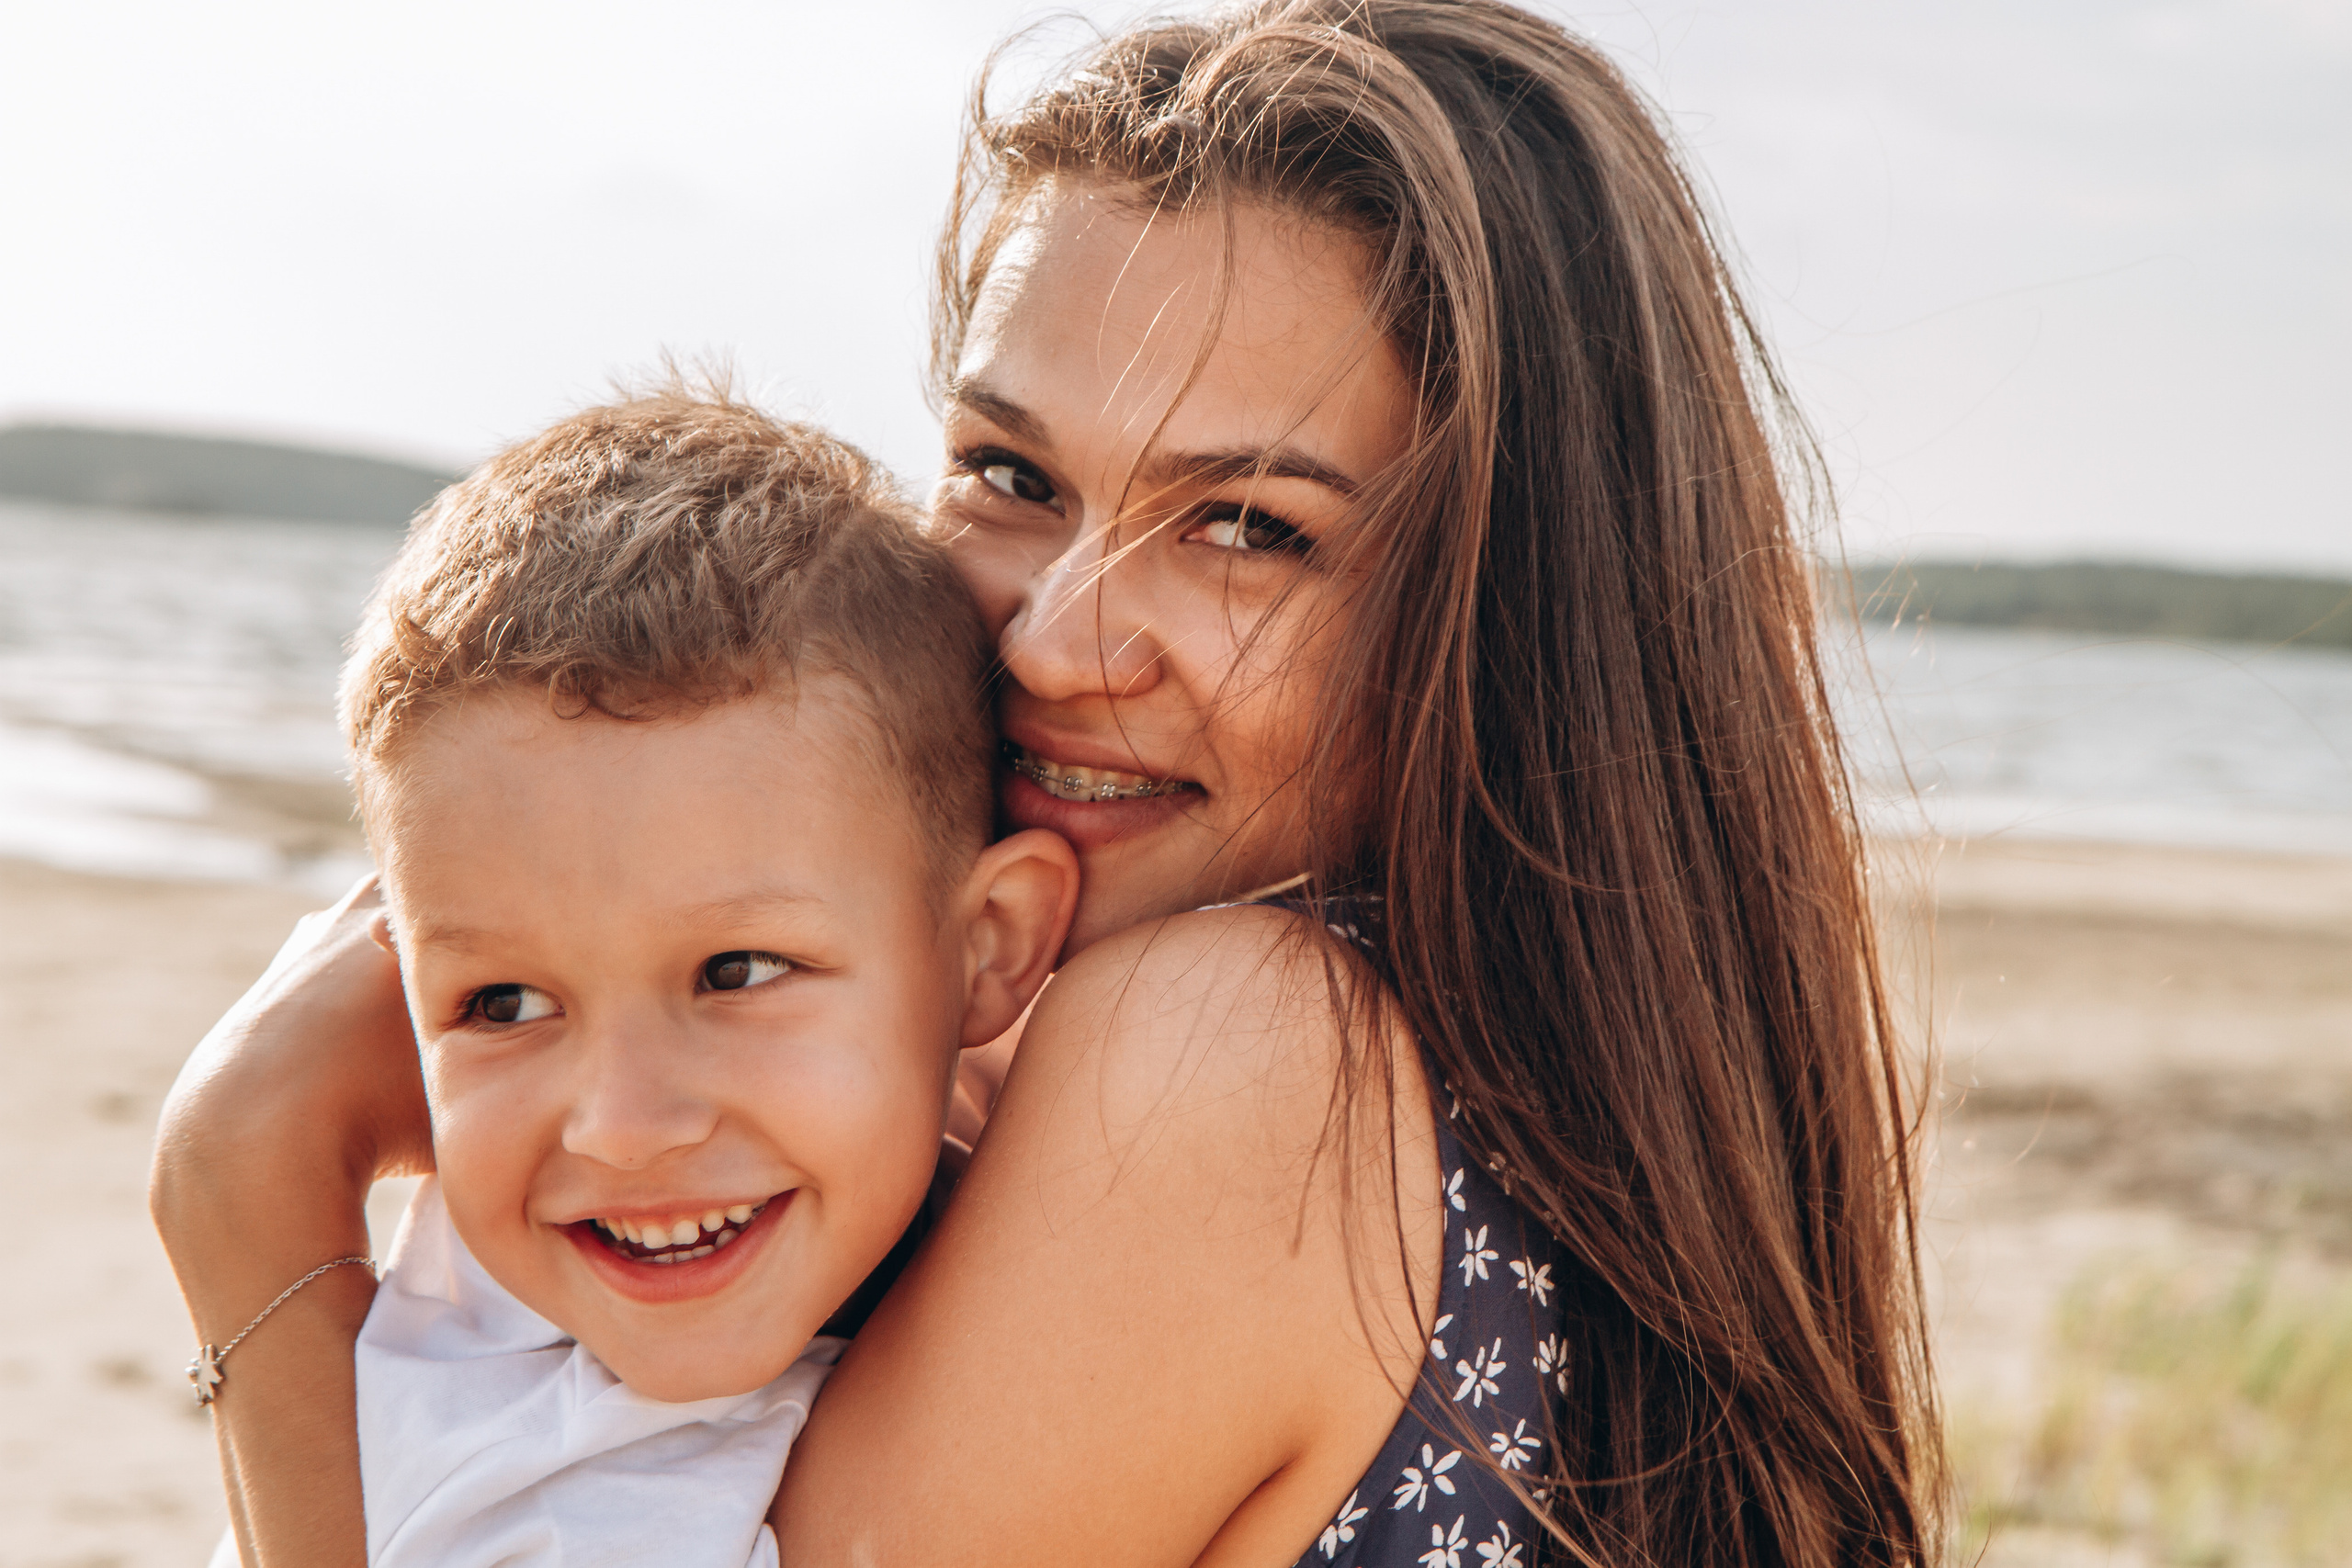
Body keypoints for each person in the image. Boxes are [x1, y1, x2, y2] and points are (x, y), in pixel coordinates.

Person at [151, 3, 1943, 1564]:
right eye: (1011, 474)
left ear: (1509, 608)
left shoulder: (1234, 1054)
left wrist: (245, 1207)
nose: (1055, 636)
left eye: (1247, 526)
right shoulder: (1533, 1075)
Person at [218, 393, 1075, 1566]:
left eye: (737, 974)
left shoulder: (1054, 1225)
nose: (622, 1129)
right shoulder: (542, 1505)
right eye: (504, 1004)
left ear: (993, 945)